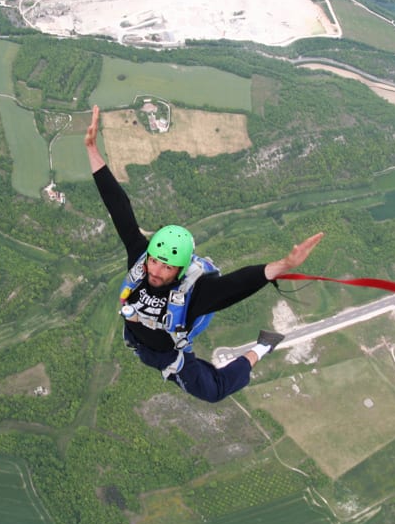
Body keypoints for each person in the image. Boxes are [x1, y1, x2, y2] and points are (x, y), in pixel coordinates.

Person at [85, 105, 324, 403]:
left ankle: (261, 348)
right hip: (141, 339)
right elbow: (118, 206)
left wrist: (284, 265)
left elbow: (237, 284)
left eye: (167, 267)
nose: (156, 271)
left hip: (166, 354)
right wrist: (92, 149)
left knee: (214, 391)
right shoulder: (140, 259)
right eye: (155, 261)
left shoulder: (195, 293)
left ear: (182, 271)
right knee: (146, 320)